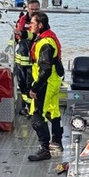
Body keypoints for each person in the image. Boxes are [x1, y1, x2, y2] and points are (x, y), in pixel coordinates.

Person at [25, 12, 65, 162]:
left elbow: (45, 68)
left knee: (37, 116)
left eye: (32, 23)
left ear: (40, 25)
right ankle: (56, 141)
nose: (30, 25)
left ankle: (44, 149)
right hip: (53, 81)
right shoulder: (47, 37)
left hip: (46, 82)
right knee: (53, 111)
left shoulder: (45, 43)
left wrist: (35, 88)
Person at [13, 0, 41, 114]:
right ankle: (27, 108)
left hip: (33, 61)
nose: (34, 11)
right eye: (32, 9)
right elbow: (15, 39)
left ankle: (33, 109)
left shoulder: (41, 23)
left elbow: (36, 37)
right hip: (21, 60)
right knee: (22, 84)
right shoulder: (21, 20)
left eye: (36, 9)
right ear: (27, 9)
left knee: (32, 85)